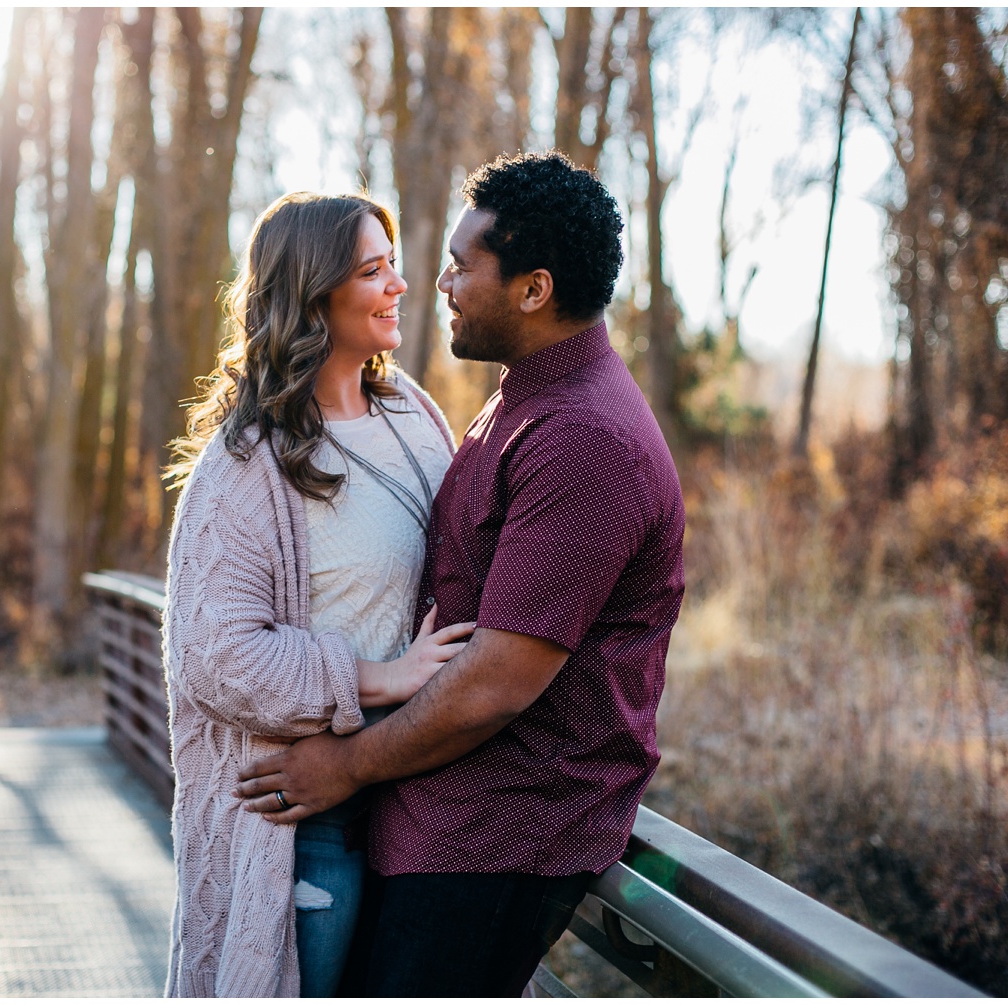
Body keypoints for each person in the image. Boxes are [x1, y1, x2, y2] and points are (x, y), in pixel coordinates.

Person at [235, 151, 686, 996]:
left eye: (461, 264)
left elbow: (495, 684)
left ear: (532, 289)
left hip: (497, 837)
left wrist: (348, 764)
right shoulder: (520, 403)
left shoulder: (584, 441)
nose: (436, 282)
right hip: (435, 820)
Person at [160, 192, 474, 997]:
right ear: (314, 295)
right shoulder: (242, 465)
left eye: (394, 264)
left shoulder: (413, 413)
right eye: (374, 270)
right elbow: (215, 656)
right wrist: (384, 676)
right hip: (309, 822)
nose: (401, 285)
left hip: (421, 790)